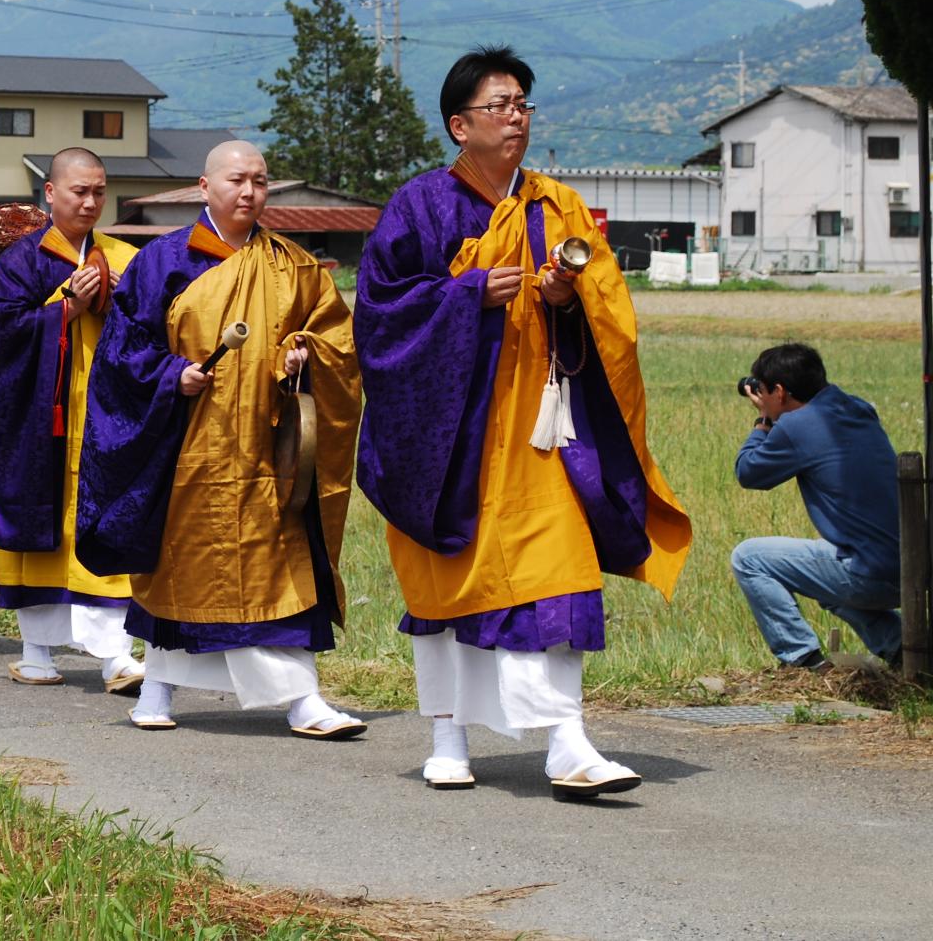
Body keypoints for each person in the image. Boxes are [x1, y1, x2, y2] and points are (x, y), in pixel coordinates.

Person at [356, 46, 693, 799]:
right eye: (499, 105)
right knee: (448, 586)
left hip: (543, 429)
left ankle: (566, 741)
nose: (516, 117)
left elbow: (608, 305)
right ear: (458, 125)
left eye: (523, 104)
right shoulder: (421, 206)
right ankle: (448, 733)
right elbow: (378, 318)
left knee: (558, 577)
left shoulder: (556, 206)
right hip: (451, 438)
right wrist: (468, 292)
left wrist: (566, 300)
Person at [80, 143, 363, 737]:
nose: (249, 192)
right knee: (184, 572)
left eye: (260, 181)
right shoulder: (163, 262)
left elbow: (337, 337)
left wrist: (305, 355)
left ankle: (302, 700)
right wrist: (169, 375)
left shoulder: (292, 263)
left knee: (277, 573)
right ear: (204, 187)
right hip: (189, 450)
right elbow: (120, 354)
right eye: (237, 179)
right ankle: (156, 692)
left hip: (270, 449)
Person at [0, 148, 145, 693]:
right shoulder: (21, 262)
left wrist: (119, 302)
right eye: (79, 191)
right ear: (50, 193)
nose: (91, 201)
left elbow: (158, 330)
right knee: (42, 531)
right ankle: (36, 651)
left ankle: (115, 653)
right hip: (39, 424)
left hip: (108, 421)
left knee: (104, 521)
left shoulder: (124, 258)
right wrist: (63, 310)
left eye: (99, 191)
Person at [733, 343, 901, 670]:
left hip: (871, 575)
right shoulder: (859, 408)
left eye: (763, 392)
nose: (761, 397)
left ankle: (803, 660)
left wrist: (763, 423)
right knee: (823, 573)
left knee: (748, 557)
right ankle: (900, 648)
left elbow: (749, 473)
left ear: (780, 392)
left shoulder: (796, 427)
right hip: (911, 569)